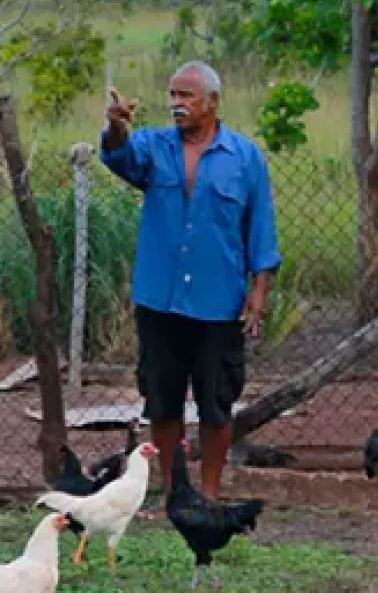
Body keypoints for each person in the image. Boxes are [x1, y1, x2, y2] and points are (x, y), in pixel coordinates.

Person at [98, 60, 280, 502]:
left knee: (216, 403)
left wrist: (258, 293)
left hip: (218, 302)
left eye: (187, 96)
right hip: (160, 299)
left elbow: (261, 230)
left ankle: (212, 493)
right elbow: (119, 157)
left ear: (212, 102)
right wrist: (117, 127)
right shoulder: (153, 146)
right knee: (163, 399)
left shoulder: (244, 158)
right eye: (173, 95)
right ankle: (174, 491)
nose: (176, 105)